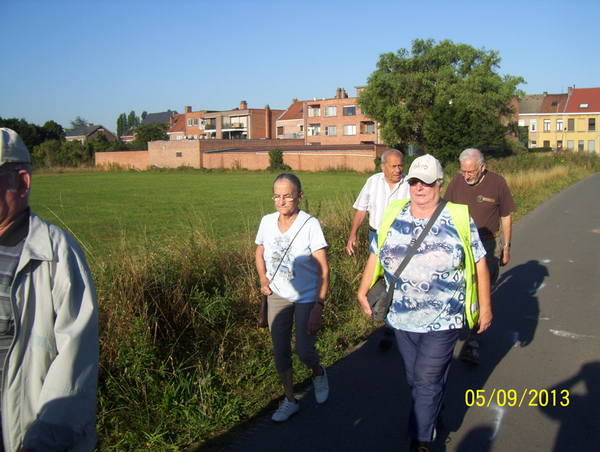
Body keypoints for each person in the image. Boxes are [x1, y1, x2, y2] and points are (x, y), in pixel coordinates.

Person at [357, 155, 492, 452]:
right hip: (402, 317)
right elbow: (376, 254)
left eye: (427, 182)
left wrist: (486, 305)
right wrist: (363, 288)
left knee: (426, 380)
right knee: (414, 379)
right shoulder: (395, 212)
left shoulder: (457, 217)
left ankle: (420, 441)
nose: (419, 188)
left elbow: (480, 261)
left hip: (444, 317)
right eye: (414, 181)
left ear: (439, 185)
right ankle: (434, 414)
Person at [0, 128, 99, 452]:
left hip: (26, 439)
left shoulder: (57, 255)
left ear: (22, 182)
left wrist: (42, 444)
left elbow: (75, 359)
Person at [255, 173, 330, 423]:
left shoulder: (310, 225)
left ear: (299, 196)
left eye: (287, 195)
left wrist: (319, 304)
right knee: (280, 351)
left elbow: (323, 268)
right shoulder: (266, 222)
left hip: (307, 297)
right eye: (277, 195)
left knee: (304, 350)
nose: (282, 201)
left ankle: (317, 372)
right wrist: (264, 280)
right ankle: (289, 400)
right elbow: (260, 252)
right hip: (278, 295)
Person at [443, 148, 516, 364]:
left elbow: (506, 216)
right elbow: (444, 214)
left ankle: (474, 341)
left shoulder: (498, 182)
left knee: (482, 292)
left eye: (471, 172)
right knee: (458, 289)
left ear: (482, 167)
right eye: (463, 171)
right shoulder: (456, 183)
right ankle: (449, 333)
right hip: (461, 246)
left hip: (488, 244)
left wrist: (507, 246)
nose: (466, 176)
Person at [346, 148, 409, 350]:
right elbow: (361, 209)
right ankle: (383, 312)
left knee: (395, 280)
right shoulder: (373, 182)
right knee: (376, 280)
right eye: (394, 166)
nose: (398, 169)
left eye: (401, 165)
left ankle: (390, 328)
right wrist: (353, 234)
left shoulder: (410, 184)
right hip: (376, 236)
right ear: (383, 167)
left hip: (401, 240)